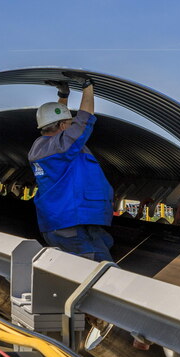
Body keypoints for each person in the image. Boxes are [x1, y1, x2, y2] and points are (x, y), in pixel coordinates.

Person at [29, 77, 115, 262]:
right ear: (61, 126)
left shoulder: (42, 146)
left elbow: (59, 117)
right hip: (71, 223)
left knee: (101, 247)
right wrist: (88, 87)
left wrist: (63, 95)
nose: (72, 124)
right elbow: (84, 120)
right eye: (69, 122)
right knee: (102, 272)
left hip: (61, 222)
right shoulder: (62, 147)